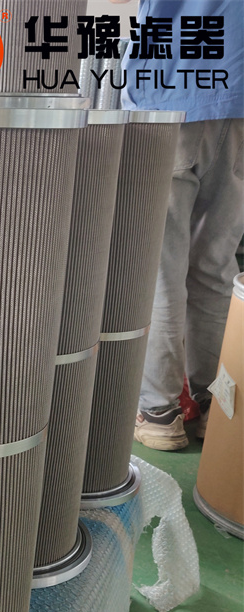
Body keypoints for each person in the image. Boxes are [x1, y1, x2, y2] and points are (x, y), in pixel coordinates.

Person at [110, 0, 244, 450]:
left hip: (171, 94)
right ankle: (213, 405)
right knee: (216, 265)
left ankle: (160, 411)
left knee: (161, 266)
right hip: (239, 96)